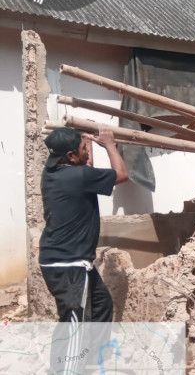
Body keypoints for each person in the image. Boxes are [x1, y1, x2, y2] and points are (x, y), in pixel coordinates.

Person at [40, 127, 128, 325]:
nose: (86, 151)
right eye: (83, 148)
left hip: (68, 261)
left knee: (101, 307)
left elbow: (86, 168)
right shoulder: (78, 177)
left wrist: (87, 139)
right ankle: (67, 357)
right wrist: (110, 145)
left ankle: (94, 355)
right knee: (72, 324)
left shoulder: (52, 172)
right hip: (68, 265)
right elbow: (121, 174)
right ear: (71, 156)